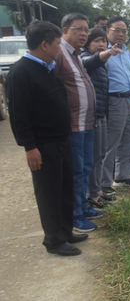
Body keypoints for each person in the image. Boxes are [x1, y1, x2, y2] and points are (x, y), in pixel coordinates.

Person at [6, 21, 88, 256]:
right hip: (43, 144)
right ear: (44, 45)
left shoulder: (47, 67)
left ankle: (65, 230)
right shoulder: (21, 73)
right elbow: (19, 115)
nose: (59, 49)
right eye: (56, 45)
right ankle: (54, 240)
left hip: (62, 139)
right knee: (49, 192)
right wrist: (30, 147)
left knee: (65, 187)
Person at [54, 13, 103, 233]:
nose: (83, 34)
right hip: (73, 124)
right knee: (76, 170)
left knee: (84, 167)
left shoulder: (74, 54)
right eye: (78, 29)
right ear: (65, 31)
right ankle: (75, 216)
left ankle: (83, 207)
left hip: (86, 122)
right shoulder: (58, 54)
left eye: (85, 29)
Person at [101, 16, 130, 188]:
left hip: (128, 98)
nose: (121, 34)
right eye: (116, 30)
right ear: (107, 31)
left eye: (124, 31)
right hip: (114, 100)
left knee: (128, 139)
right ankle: (103, 184)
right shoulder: (103, 52)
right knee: (111, 143)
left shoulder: (126, 52)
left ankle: (122, 176)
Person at [81, 26, 120, 207]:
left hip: (101, 114)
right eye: (96, 41)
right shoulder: (83, 57)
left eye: (103, 41)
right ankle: (92, 195)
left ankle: (97, 191)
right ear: (88, 43)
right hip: (92, 116)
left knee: (101, 154)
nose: (100, 44)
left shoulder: (101, 62)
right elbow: (90, 62)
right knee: (94, 157)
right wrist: (109, 52)